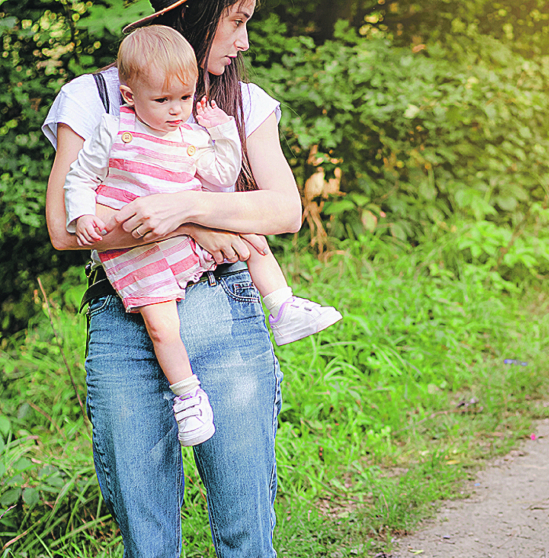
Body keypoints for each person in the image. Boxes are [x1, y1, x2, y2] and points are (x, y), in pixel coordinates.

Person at [43, 0, 303, 558]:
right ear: (197, 9)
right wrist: (197, 226)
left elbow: (284, 211)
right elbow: (64, 226)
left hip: (226, 308)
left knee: (251, 556)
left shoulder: (244, 102)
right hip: (127, 318)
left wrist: (182, 207)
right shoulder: (97, 98)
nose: (243, 40)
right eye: (236, 20)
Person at [64, 25, 341, 447]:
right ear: (129, 95)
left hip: (191, 245)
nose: (176, 110)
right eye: (163, 100)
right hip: (141, 254)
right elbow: (80, 179)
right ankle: (188, 397)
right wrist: (83, 213)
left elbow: (220, 179)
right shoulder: (112, 128)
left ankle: (283, 307)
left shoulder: (191, 131)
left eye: (185, 98)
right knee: (163, 327)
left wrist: (223, 134)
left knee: (251, 237)